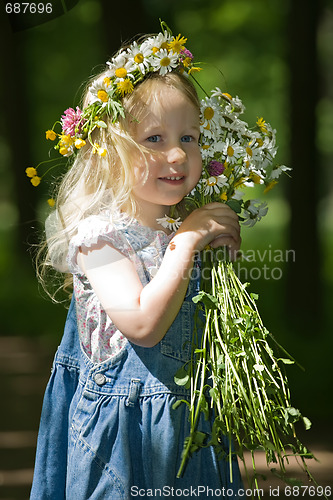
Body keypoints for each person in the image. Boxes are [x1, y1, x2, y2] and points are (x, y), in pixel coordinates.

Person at [30, 27, 243, 499]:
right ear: (110, 153)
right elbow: (144, 323)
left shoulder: (181, 225)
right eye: (154, 138)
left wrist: (212, 246)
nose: (176, 154)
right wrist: (186, 245)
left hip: (187, 427)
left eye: (189, 136)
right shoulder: (98, 238)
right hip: (122, 443)